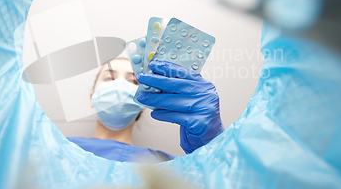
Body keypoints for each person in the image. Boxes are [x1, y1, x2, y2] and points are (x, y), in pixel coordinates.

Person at [68, 57, 224, 162]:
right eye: (110, 78)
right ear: (92, 97)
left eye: (134, 81)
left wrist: (211, 148)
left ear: (143, 103)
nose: (120, 85)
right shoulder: (58, 147)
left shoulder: (163, 164)